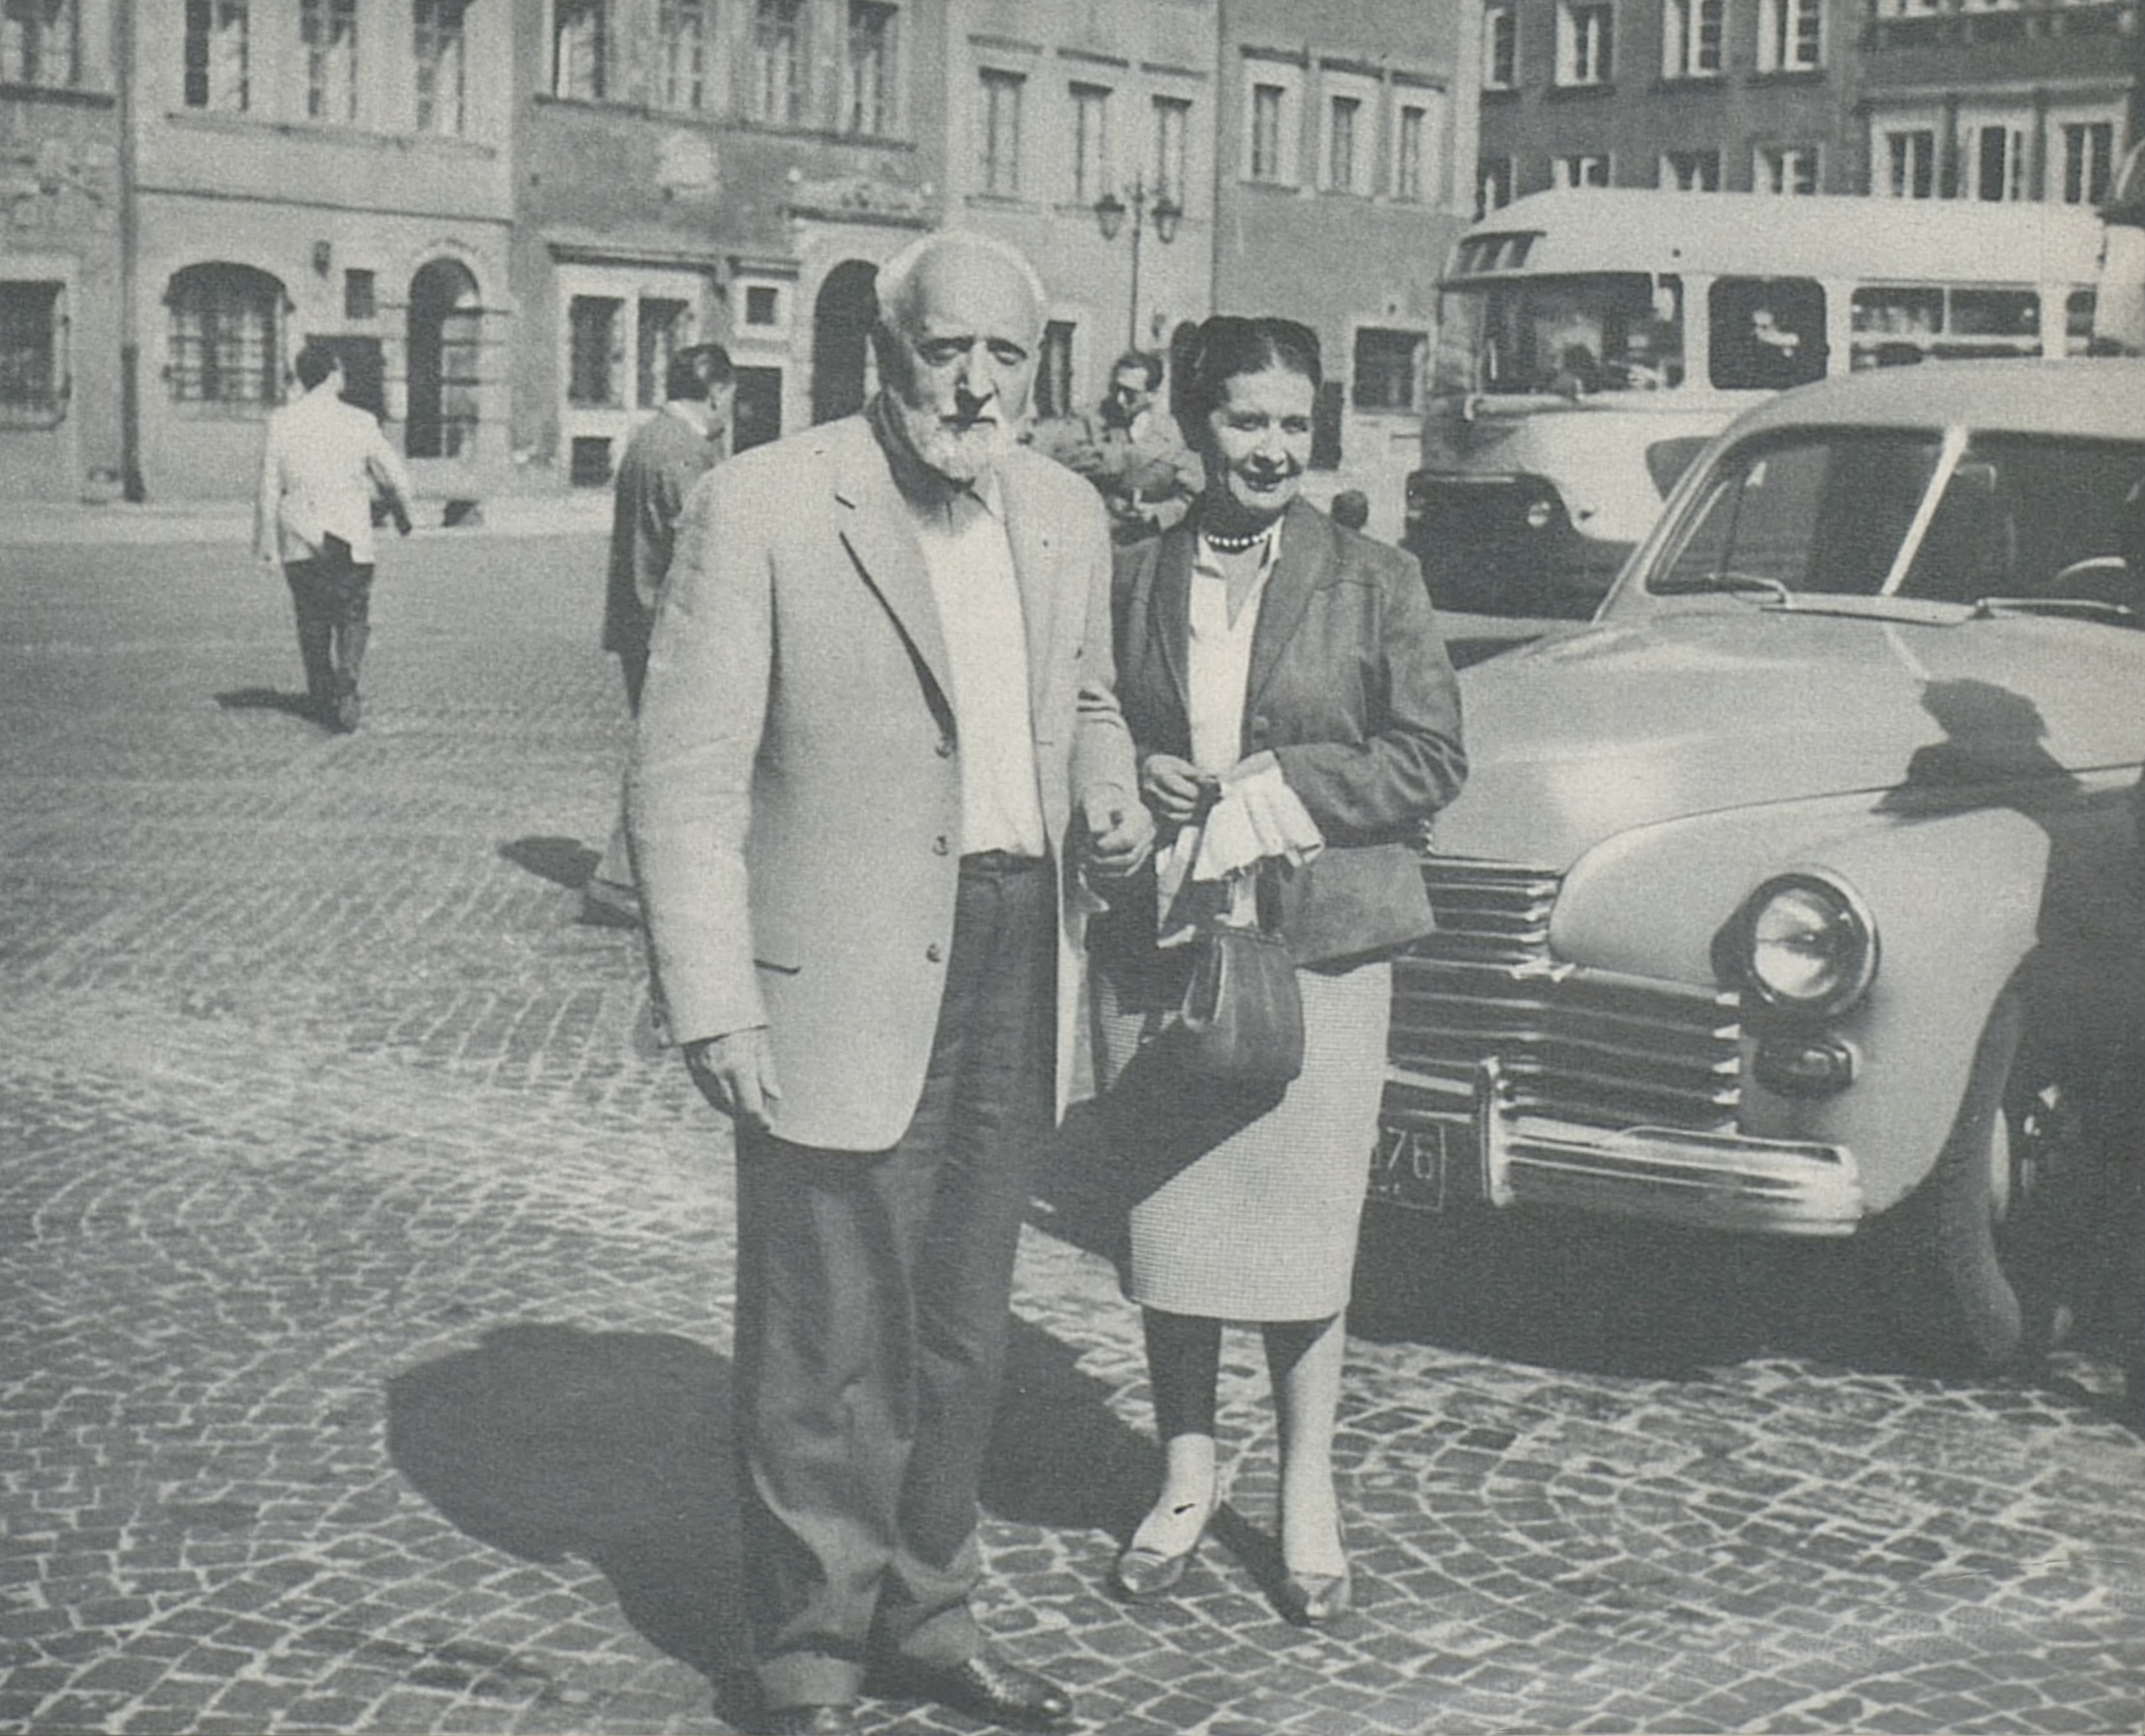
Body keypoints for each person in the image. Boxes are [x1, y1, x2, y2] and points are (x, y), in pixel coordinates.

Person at [627, 232, 1153, 1736]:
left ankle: (928, 1608)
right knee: (821, 1323)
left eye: (1006, 355)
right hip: (838, 966)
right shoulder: (767, 505)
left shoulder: (1063, 511)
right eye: (947, 350)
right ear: (887, 355)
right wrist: (715, 997)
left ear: (1036, 371)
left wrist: (1103, 784)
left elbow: (1092, 698)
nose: (976, 382)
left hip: (1013, 945)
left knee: (965, 1321)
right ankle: (808, 1644)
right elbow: (682, 778)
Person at [1090, 315, 1466, 1627]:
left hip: (1322, 951)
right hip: (1173, 943)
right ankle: (1185, 1470)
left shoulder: (1376, 578)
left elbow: (1430, 760)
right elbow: (1099, 722)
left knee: (1306, 1238)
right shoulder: (1132, 572)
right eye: (1243, 421)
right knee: (1174, 1224)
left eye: (1289, 424)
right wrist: (1135, 770)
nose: (1267, 447)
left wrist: (1285, 780)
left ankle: (1307, 1488)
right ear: (1195, 428)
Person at [583, 343, 735, 927]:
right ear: (717, 391)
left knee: (665, 753)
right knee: (670, 757)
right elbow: (704, 541)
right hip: (668, 627)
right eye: (729, 397)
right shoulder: (683, 453)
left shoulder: (648, 438)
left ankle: (629, 876)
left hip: (638, 620)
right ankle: (621, 879)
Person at [253, 342, 415, 732]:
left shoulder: (282, 421)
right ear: (331, 374)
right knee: (353, 612)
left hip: (299, 534)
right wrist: (406, 514)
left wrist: (267, 544)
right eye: (340, 370)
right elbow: (394, 475)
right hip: (348, 532)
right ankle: (347, 682)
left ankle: (321, 691)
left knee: (311, 617)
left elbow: (269, 488)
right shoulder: (360, 421)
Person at [1047, 350, 1203, 544]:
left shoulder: (1171, 434)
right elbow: (1062, 469)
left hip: (1143, 546)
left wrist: (1157, 512)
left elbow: (1191, 496)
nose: (1120, 399)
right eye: (1116, 389)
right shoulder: (1088, 419)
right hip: (1089, 538)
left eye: (1130, 394)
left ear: (1152, 395)